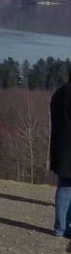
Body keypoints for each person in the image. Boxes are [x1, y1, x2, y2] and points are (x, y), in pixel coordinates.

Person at [50, 79, 71, 240]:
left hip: (61, 147)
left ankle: (62, 227)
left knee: (65, 186)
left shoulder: (59, 93)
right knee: (66, 188)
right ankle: (62, 227)